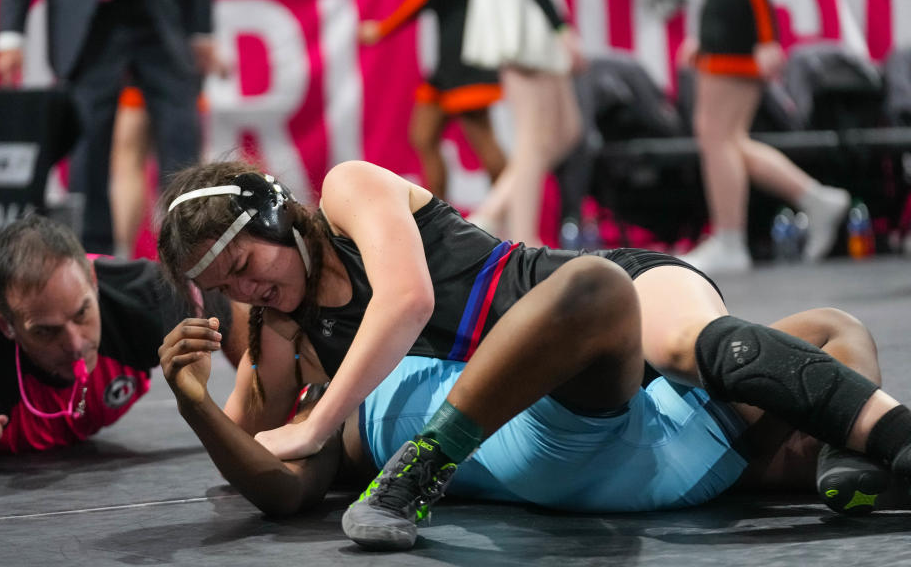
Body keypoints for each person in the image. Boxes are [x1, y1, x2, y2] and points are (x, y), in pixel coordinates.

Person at [156, 159, 911, 549]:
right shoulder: (281, 328)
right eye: (225, 288)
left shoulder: (349, 192)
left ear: (277, 215)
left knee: (695, 343)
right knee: (826, 330)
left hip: (593, 301)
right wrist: (195, 398)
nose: (247, 291)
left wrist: (320, 424)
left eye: (245, 265)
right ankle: (855, 455)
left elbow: (408, 301)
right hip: (569, 395)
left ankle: (871, 450)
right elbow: (259, 444)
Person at [159, 306, 908, 520]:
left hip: (621, 427)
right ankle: (859, 452)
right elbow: (281, 489)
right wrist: (196, 406)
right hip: (585, 446)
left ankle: (850, 460)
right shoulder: (332, 419)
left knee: (832, 331)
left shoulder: (401, 340)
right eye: (287, 336)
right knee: (599, 291)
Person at [0, 215, 246, 472]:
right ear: (5, 324)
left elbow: (235, 317)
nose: (76, 344)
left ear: (93, 281)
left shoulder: (145, 298)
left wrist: (262, 419)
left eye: (82, 314)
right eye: (46, 332)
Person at [0, 0, 218, 254]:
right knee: (87, 147)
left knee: (181, 138)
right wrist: (10, 36)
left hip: (159, 16)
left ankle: (191, 253)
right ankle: (94, 259)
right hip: (87, 21)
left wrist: (201, 31)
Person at [677, 0, 851, 274]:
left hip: (737, 34)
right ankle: (816, 199)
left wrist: (767, 37)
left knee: (716, 136)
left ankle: (730, 239)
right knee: (729, 140)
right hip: (725, 28)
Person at [358, 0, 506, 200]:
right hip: (449, 58)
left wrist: (381, 29)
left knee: (485, 144)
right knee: (423, 135)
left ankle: (512, 215)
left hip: (466, 56)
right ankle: (440, 221)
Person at [460, 0, 585, 246]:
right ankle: (523, 240)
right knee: (534, 138)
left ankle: (490, 213)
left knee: (566, 129)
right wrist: (560, 28)